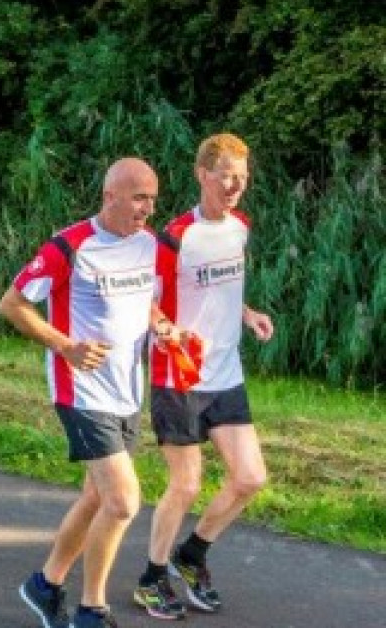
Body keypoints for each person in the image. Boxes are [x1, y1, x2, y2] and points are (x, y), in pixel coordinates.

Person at [0, 157, 164, 628]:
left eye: (152, 198)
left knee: (96, 496)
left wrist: (163, 326)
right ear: (110, 196)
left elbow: (147, 303)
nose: (147, 209)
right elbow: (12, 304)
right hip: (82, 390)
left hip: (128, 391)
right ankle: (92, 610)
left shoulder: (148, 244)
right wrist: (65, 346)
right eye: (138, 198)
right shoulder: (69, 246)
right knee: (123, 501)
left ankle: (45, 585)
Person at [134, 133, 273, 621]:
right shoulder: (174, 237)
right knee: (186, 484)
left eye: (243, 177)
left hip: (226, 373)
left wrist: (247, 313)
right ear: (202, 175)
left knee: (250, 477)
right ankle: (151, 579)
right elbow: (144, 299)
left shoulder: (239, 227)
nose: (235, 186)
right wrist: (164, 327)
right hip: (178, 376)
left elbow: (221, 290)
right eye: (226, 175)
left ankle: (191, 556)